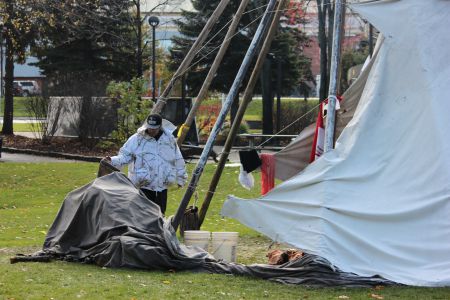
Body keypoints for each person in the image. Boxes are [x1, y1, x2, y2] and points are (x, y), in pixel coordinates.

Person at [105, 113, 187, 215]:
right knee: (142, 216)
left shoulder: (169, 140)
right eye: (150, 128)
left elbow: (178, 159)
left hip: (161, 187)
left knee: (159, 216)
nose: (151, 130)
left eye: (155, 128)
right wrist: (112, 160)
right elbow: (125, 156)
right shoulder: (136, 139)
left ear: (160, 127)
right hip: (143, 186)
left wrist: (181, 178)